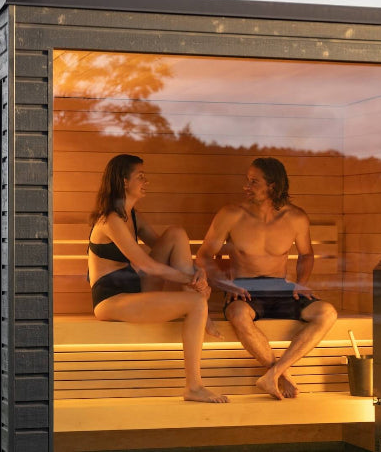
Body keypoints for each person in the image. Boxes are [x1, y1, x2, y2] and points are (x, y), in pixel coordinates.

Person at [87, 153, 228, 403]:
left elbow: (163, 248)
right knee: (197, 303)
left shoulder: (133, 216)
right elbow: (147, 265)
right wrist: (191, 280)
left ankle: (197, 304)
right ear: (123, 182)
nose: (146, 181)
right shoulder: (110, 219)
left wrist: (197, 274)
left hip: (135, 287)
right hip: (111, 299)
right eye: (140, 177)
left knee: (176, 234)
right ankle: (193, 386)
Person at [195, 157, 338, 400]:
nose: (246, 187)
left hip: (281, 288)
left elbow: (306, 254)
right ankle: (280, 375)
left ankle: (274, 374)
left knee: (328, 313)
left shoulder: (295, 218)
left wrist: (302, 282)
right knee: (239, 315)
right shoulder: (231, 215)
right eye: (247, 181)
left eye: (253, 182)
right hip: (244, 289)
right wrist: (225, 283)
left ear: (272, 186)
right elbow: (204, 256)